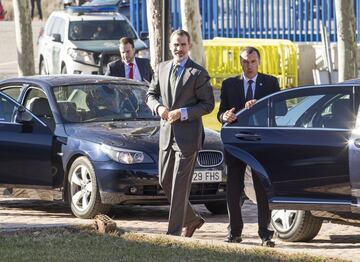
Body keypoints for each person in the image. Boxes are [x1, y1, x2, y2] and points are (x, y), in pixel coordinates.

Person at [146, 29, 214, 237]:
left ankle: (173, 234)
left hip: (188, 138)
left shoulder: (198, 73)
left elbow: (208, 105)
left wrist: (183, 113)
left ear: (189, 46)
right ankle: (192, 219)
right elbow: (151, 94)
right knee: (165, 181)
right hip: (166, 135)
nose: (179, 48)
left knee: (178, 186)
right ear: (170, 46)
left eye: (183, 45)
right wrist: (158, 108)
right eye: (176, 44)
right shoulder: (162, 68)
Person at [218, 46, 280, 247]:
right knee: (234, 188)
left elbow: (281, 109)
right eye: (245, 61)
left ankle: (265, 234)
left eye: (253, 61)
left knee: (262, 188)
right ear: (240, 62)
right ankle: (234, 232)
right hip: (236, 142)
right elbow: (221, 113)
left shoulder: (270, 82)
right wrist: (225, 116)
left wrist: (261, 104)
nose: (249, 65)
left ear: (259, 62)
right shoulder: (229, 84)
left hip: (259, 143)